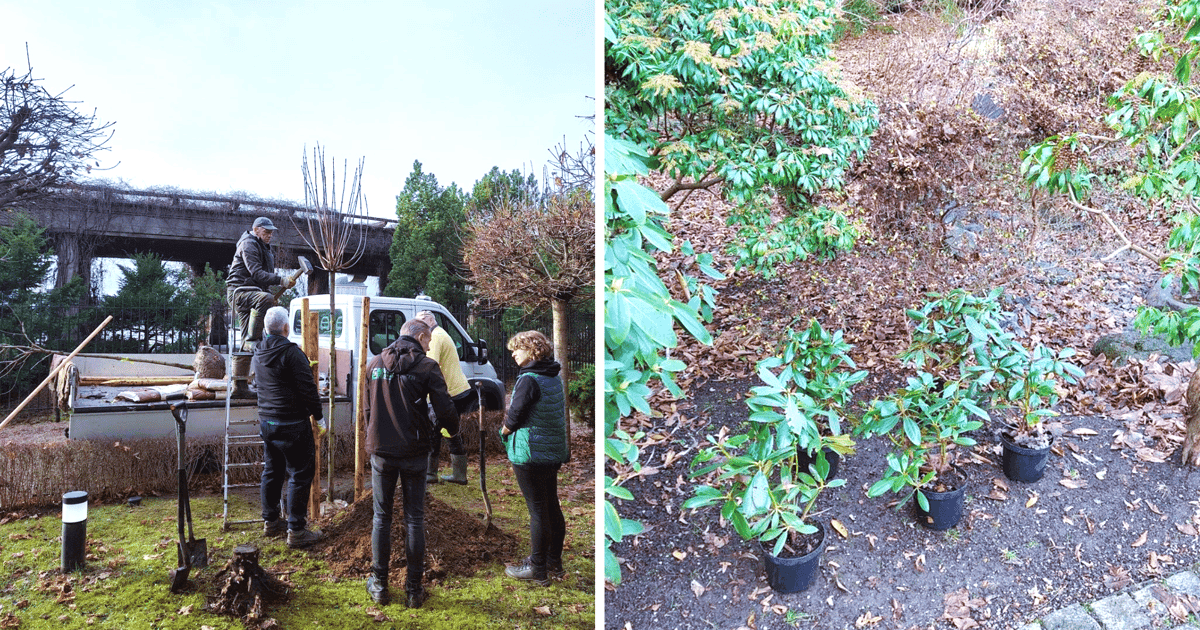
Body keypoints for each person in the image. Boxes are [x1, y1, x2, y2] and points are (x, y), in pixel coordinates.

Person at [363, 318, 459, 608]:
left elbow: (368, 408)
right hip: (415, 452)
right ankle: (414, 590)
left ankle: (379, 584)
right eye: (428, 341)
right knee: (414, 518)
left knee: (381, 517)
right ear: (418, 336)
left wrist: (373, 439)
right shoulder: (427, 367)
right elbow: (445, 409)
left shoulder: (374, 363)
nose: (430, 346)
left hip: (381, 451)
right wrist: (448, 430)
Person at [500, 330, 569, 586]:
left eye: (517, 349)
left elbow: (515, 416)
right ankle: (554, 562)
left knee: (538, 510)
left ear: (532, 350)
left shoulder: (529, 379)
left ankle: (537, 568)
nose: (514, 354)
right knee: (552, 505)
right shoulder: (553, 376)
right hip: (552, 452)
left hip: (530, 453)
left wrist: (503, 432)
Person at [254, 306, 324, 549]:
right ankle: (296, 530)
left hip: (267, 423)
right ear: (286, 328)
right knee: (300, 474)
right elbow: (308, 389)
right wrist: (320, 417)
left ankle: (271, 522)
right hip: (292, 424)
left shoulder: (258, 350)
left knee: (272, 471)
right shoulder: (292, 353)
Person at [226, 216, 294, 398]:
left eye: (272, 232)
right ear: (256, 230)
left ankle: (239, 387)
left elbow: (263, 279)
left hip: (252, 293)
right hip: (239, 293)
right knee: (264, 301)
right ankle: (253, 340)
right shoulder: (248, 244)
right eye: (267, 231)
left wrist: (270, 296)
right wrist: (280, 280)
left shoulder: (264, 247)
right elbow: (256, 272)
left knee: (244, 341)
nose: (270, 234)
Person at [415, 310, 479, 485]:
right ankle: (459, 475)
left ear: (429, 321)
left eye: (420, 322)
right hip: (457, 390)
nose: (418, 327)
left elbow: (429, 365)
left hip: (448, 392)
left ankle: (430, 474)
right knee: (449, 431)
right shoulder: (441, 333)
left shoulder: (434, 337)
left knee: (434, 431)